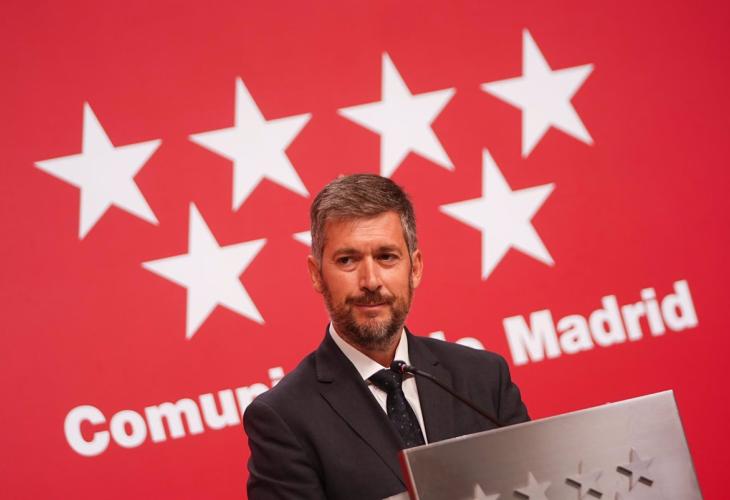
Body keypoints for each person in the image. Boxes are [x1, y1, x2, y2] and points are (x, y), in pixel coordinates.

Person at [243, 174, 529, 500]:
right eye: (347, 260)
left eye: (386, 257)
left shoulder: (483, 378)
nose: (370, 281)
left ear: (415, 268)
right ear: (317, 275)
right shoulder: (283, 418)